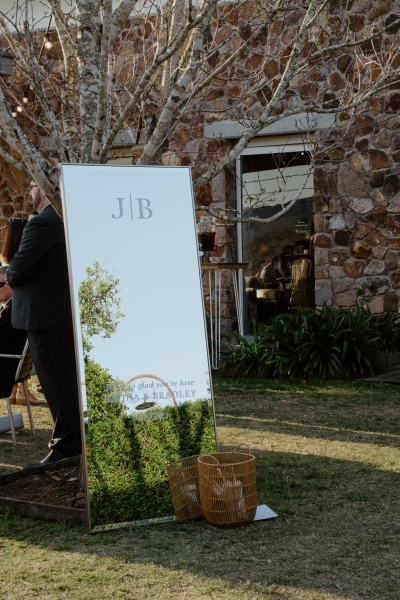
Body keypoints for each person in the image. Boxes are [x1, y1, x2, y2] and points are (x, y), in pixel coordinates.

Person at [6, 182, 82, 468]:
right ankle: (73, 446)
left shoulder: (43, 222)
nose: (29, 190)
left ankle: (66, 449)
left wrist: (8, 273)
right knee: (66, 384)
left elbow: (19, 270)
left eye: (32, 185)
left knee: (58, 388)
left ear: (43, 189)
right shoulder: (67, 219)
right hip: (61, 316)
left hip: (46, 318)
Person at [0, 218, 43, 405]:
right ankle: (19, 392)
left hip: (5, 373)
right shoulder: (26, 259)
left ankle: (17, 392)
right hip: (13, 370)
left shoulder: (8, 258)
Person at [0, 267, 27, 401]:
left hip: (4, 376)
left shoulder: (11, 311)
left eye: (0, 284)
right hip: (14, 371)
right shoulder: (20, 306)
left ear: (11, 284)